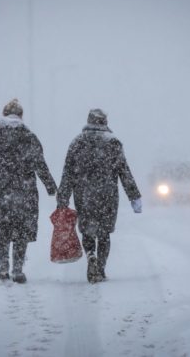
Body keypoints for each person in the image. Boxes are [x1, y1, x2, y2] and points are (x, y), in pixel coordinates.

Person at [57, 108, 142, 283]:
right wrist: (134, 196)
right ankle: (101, 268)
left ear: (89, 121)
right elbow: (124, 171)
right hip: (107, 195)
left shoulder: (77, 142)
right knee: (104, 233)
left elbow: (68, 173)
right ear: (105, 122)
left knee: (88, 231)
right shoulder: (113, 143)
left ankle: (90, 255)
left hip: (84, 194)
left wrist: (63, 197)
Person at [0, 99, 57, 283]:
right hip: (24, 191)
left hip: (0, 191)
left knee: (3, 228)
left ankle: (3, 264)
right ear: (21, 116)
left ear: (4, 115)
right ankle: (17, 268)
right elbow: (40, 163)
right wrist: (50, 186)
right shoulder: (29, 136)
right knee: (21, 229)